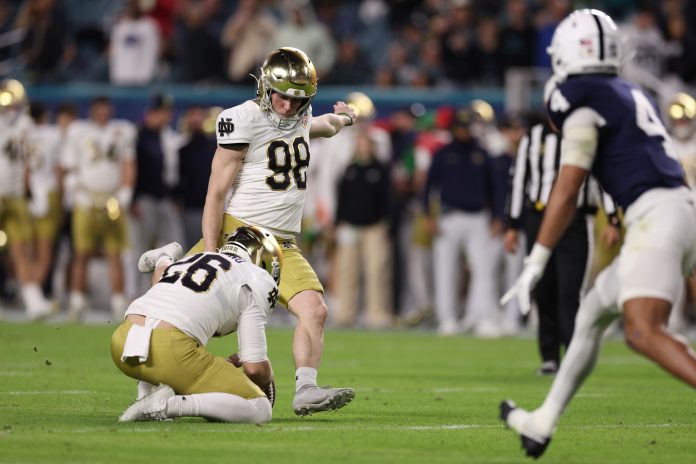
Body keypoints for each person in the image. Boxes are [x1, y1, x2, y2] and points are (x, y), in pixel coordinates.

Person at [499, 10, 696, 458]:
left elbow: (567, 189)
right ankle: (542, 421)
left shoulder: (580, 96)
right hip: (677, 210)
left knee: (643, 332)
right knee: (590, 316)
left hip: (657, 215)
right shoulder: (626, 91)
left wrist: (535, 263)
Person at [189, 47, 356, 416]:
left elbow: (322, 126)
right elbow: (216, 193)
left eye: (298, 100)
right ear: (265, 87)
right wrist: (212, 250)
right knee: (190, 311)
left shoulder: (301, 113)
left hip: (282, 242)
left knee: (315, 309)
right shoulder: (242, 119)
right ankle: (162, 380)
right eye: (282, 97)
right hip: (240, 234)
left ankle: (307, 389)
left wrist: (345, 118)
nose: (287, 107)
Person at [111, 225, 282, 423]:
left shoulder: (196, 258)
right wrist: (267, 376)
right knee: (261, 409)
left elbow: (162, 288)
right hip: (170, 353)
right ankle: (167, 405)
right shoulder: (257, 278)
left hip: (122, 342)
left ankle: (164, 258)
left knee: (176, 321)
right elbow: (255, 368)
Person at [505, 118, 621, 375]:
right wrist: (512, 225)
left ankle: (572, 355)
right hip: (539, 217)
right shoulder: (532, 137)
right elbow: (518, 180)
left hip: (574, 221)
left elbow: (604, 177)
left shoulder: (583, 133)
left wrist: (612, 219)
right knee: (543, 289)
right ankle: (549, 357)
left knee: (570, 291)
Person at [423, 107, 506, 337]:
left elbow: (496, 189)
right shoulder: (442, 153)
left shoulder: (483, 153)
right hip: (448, 218)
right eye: (459, 127)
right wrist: (428, 215)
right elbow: (429, 187)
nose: (463, 132)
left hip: (478, 218)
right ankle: (447, 319)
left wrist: (498, 216)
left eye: (466, 127)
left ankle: (482, 318)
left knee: (483, 269)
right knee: (445, 270)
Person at [61, 96, 136, 321]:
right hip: (87, 197)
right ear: (92, 110)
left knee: (115, 253)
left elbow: (128, 164)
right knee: (81, 252)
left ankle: (118, 302)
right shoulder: (78, 131)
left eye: (106, 109)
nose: (103, 113)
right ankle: (76, 301)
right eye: (99, 109)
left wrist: (125, 192)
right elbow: (70, 166)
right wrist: (78, 192)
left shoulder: (122, 130)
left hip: (112, 199)